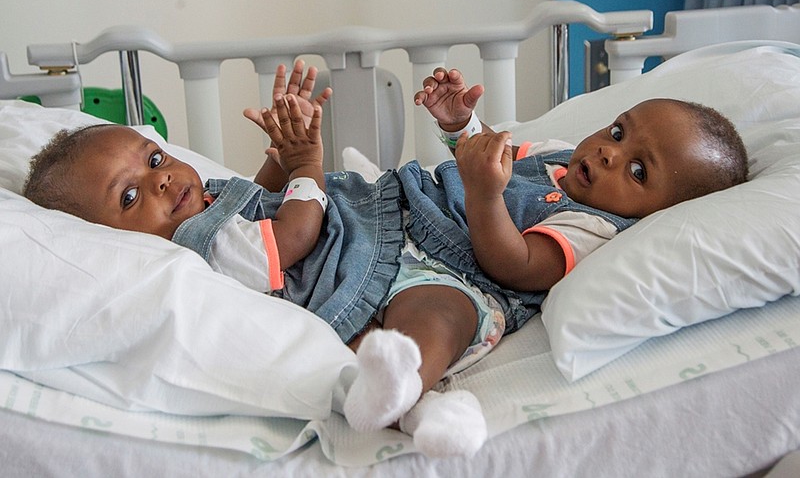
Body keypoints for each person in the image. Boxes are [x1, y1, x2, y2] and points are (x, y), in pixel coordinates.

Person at [23, 63, 749, 458]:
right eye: (618, 130)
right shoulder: (561, 162)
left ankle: (402, 391)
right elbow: (273, 220)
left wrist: (484, 190)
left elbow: (516, 262)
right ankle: (391, 388)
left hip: (460, 272)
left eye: (638, 168)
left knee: (439, 319)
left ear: (658, 211)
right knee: (381, 314)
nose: (607, 150)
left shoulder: (594, 226)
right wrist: (463, 129)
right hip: (378, 229)